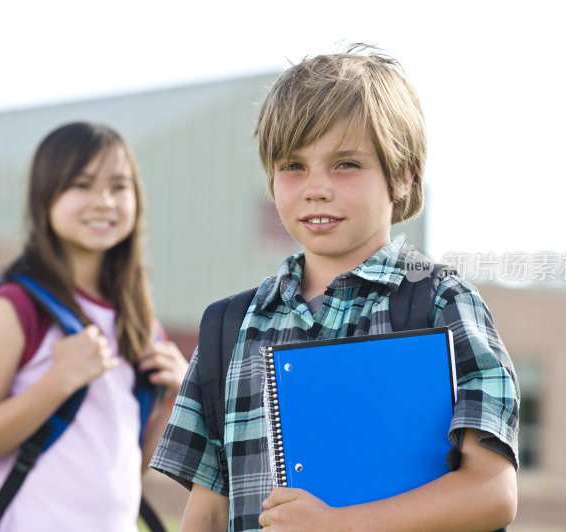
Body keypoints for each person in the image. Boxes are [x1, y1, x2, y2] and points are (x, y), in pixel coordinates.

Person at [150, 44, 519, 531]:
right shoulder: (229, 328)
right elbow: (208, 514)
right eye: (293, 165)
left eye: (346, 164)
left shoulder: (441, 303)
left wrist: (339, 523)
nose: (316, 187)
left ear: (403, 175)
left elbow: (492, 490)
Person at [0, 121, 188, 531]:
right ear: (46, 197)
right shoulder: (18, 308)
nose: (104, 202)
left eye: (119, 186)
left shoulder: (139, 321)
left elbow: (124, 465)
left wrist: (177, 399)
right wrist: (60, 379)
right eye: (82, 184)